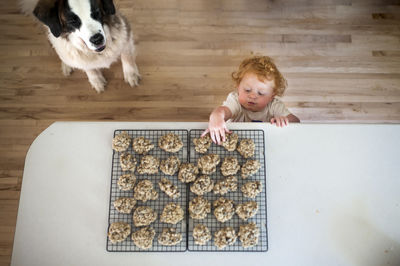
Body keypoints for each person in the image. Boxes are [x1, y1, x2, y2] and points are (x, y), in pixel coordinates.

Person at [202, 55, 300, 144]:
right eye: (247, 90)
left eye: (260, 93)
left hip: (265, 142)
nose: (252, 96)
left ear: (272, 96)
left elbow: (296, 121)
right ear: (238, 86)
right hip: (233, 141)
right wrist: (217, 117)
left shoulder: (274, 105)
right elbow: (223, 111)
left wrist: (285, 120)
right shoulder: (235, 101)